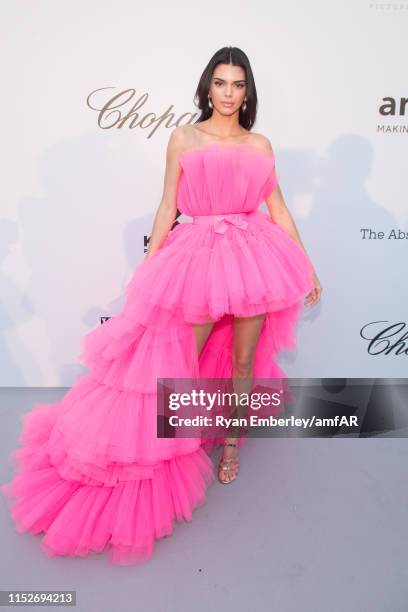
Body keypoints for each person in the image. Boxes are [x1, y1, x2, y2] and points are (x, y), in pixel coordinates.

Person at [1, 46, 322, 566]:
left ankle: (232, 442)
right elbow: (168, 204)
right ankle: (166, 443)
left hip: (251, 257)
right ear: (208, 87)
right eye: (220, 83)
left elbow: (277, 208)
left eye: (237, 84)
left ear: (248, 92)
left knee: (243, 361)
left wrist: (306, 265)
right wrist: (151, 265)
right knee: (177, 363)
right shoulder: (184, 137)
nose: (228, 93)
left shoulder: (260, 144)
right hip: (197, 257)